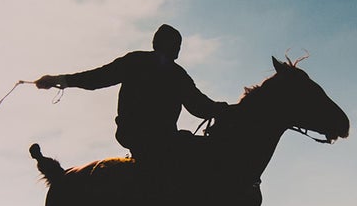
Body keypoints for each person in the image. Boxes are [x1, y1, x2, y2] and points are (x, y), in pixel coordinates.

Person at [35, 24, 229, 174]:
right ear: (172, 47)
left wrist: (59, 80)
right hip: (157, 139)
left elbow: (96, 78)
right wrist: (224, 110)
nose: (178, 50)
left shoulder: (136, 61)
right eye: (177, 45)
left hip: (134, 135)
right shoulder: (176, 74)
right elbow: (199, 106)